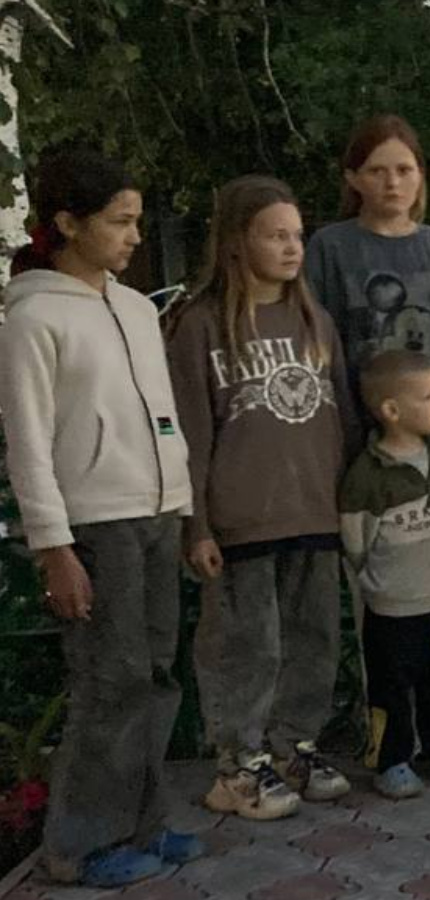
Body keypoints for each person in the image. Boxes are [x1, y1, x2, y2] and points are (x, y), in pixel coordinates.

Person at [0, 149, 201, 886]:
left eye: (137, 220)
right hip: (95, 527)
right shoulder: (32, 319)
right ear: (67, 223)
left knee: (155, 677)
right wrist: (54, 547)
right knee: (108, 685)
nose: (134, 236)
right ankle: (80, 844)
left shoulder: (137, 308)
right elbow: (27, 442)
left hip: (156, 515)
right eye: (119, 222)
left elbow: (160, 414)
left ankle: (143, 822)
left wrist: (182, 507)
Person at [165, 176, 356, 820]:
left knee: (312, 639)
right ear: (236, 241)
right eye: (275, 235)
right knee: (247, 646)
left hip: (315, 510)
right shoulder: (200, 325)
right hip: (240, 520)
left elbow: (341, 418)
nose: (292, 247)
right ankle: (237, 764)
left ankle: (292, 746)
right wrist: (196, 524)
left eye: (297, 235)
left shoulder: (315, 319)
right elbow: (190, 433)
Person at [305, 114, 430, 756]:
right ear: (353, 178)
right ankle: (389, 731)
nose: (392, 182)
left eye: (405, 169)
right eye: (378, 170)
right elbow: (316, 351)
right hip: (365, 457)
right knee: (376, 597)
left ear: (421, 177)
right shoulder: (330, 249)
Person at [339, 349, 430, 798]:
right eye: (429, 397)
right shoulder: (367, 475)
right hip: (392, 606)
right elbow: (356, 541)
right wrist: (378, 583)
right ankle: (392, 759)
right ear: (392, 411)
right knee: (391, 686)